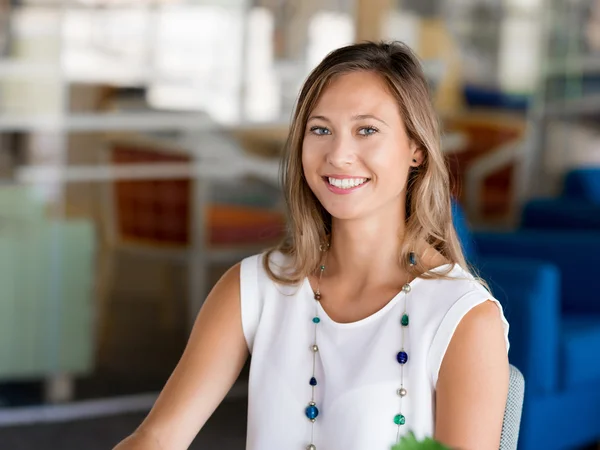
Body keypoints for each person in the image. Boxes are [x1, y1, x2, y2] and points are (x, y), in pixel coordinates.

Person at [114, 41, 509, 450]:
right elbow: (157, 438)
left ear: (417, 151)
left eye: (366, 130)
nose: (338, 155)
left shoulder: (463, 319)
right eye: (321, 130)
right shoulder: (252, 289)